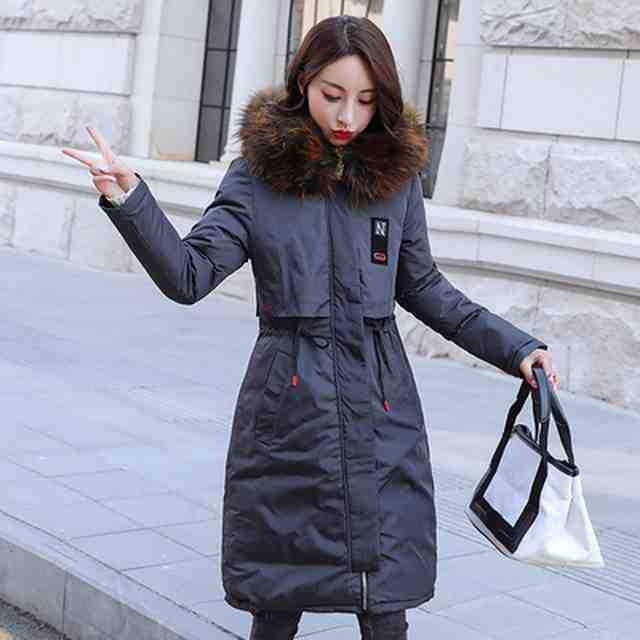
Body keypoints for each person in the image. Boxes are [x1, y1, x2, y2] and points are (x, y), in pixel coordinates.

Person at [61, 14, 559, 640]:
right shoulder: (258, 175)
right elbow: (189, 275)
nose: (348, 115)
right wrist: (130, 199)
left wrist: (517, 349)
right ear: (303, 83)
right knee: (277, 600)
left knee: (386, 604)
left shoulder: (395, 178)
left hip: (382, 411)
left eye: (366, 99)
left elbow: (425, 288)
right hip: (289, 413)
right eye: (332, 95)